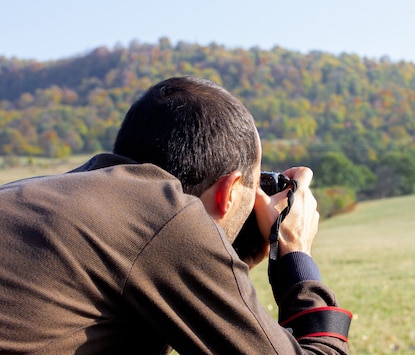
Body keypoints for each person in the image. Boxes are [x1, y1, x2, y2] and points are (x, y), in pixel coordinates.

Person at [0, 77, 351, 354]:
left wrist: (235, 256)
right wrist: (294, 253)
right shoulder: (166, 217)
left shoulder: (55, 194)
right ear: (229, 191)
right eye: (253, 187)